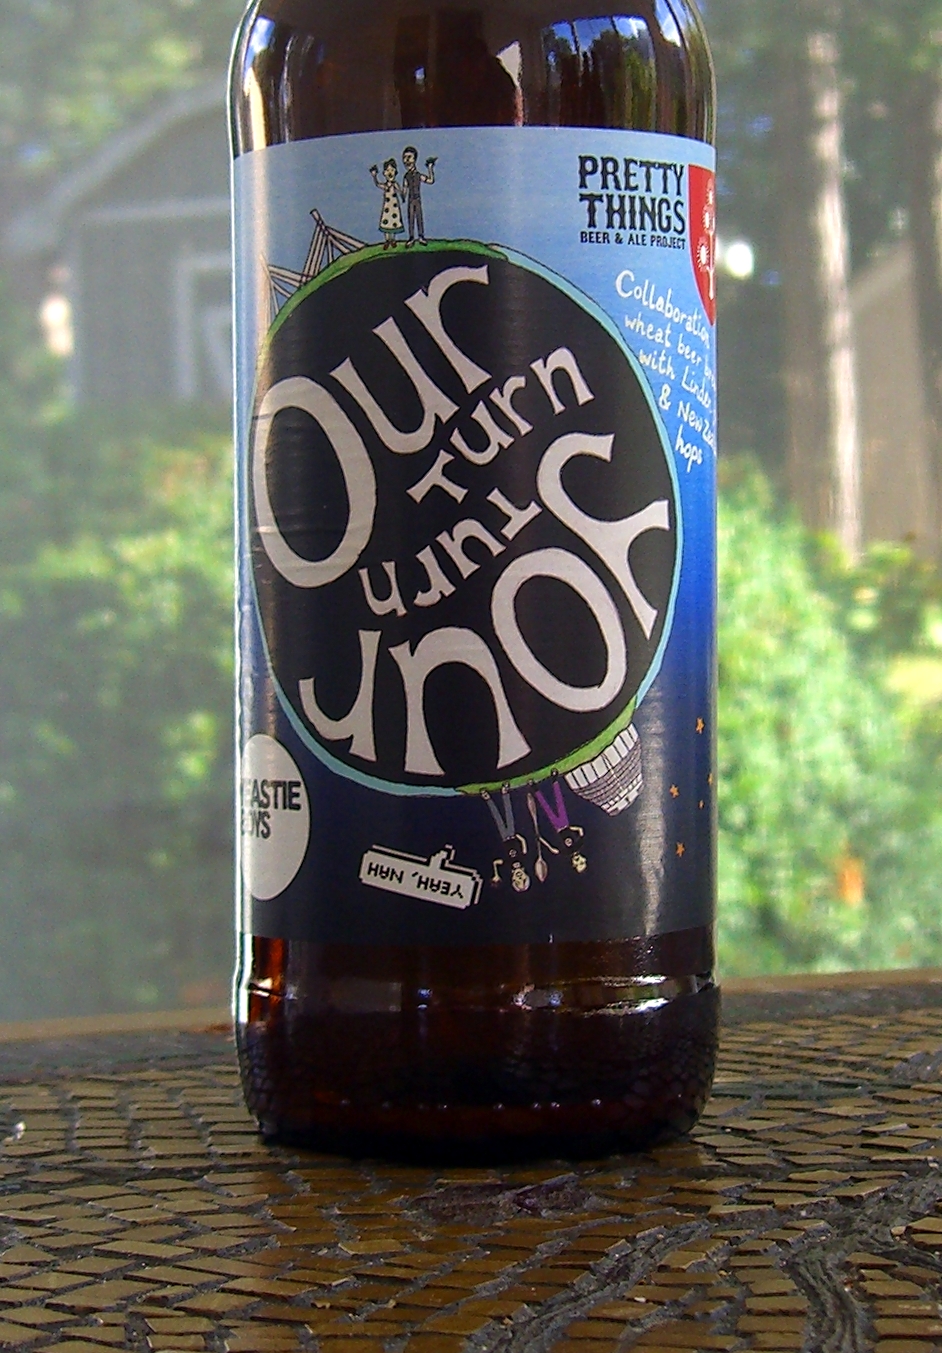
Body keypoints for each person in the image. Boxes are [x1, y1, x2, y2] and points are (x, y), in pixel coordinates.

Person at [401, 146, 437, 246]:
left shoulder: (418, 175)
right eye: (405, 157)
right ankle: (411, 238)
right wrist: (402, 195)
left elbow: (430, 180)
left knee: (419, 218)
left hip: (417, 199)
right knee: (411, 218)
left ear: (414, 159)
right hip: (410, 200)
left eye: (409, 157)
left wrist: (430, 169)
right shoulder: (406, 176)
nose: (406, 160)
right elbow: (404, 188)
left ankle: (421, 237)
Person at [369, 159, 404, 248]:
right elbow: (377, 184)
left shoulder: (395, 184)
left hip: (394, 207)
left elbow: (400, 191)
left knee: (393, 222)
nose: (390, 172)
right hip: (387, 207)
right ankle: (387, 240)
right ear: (384, 173)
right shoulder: (385, 185)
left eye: (392, 170)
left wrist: (403, 196)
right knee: (387, 222)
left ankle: (392, 239)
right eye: (388, 170)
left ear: (395, 172)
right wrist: (374, 176)